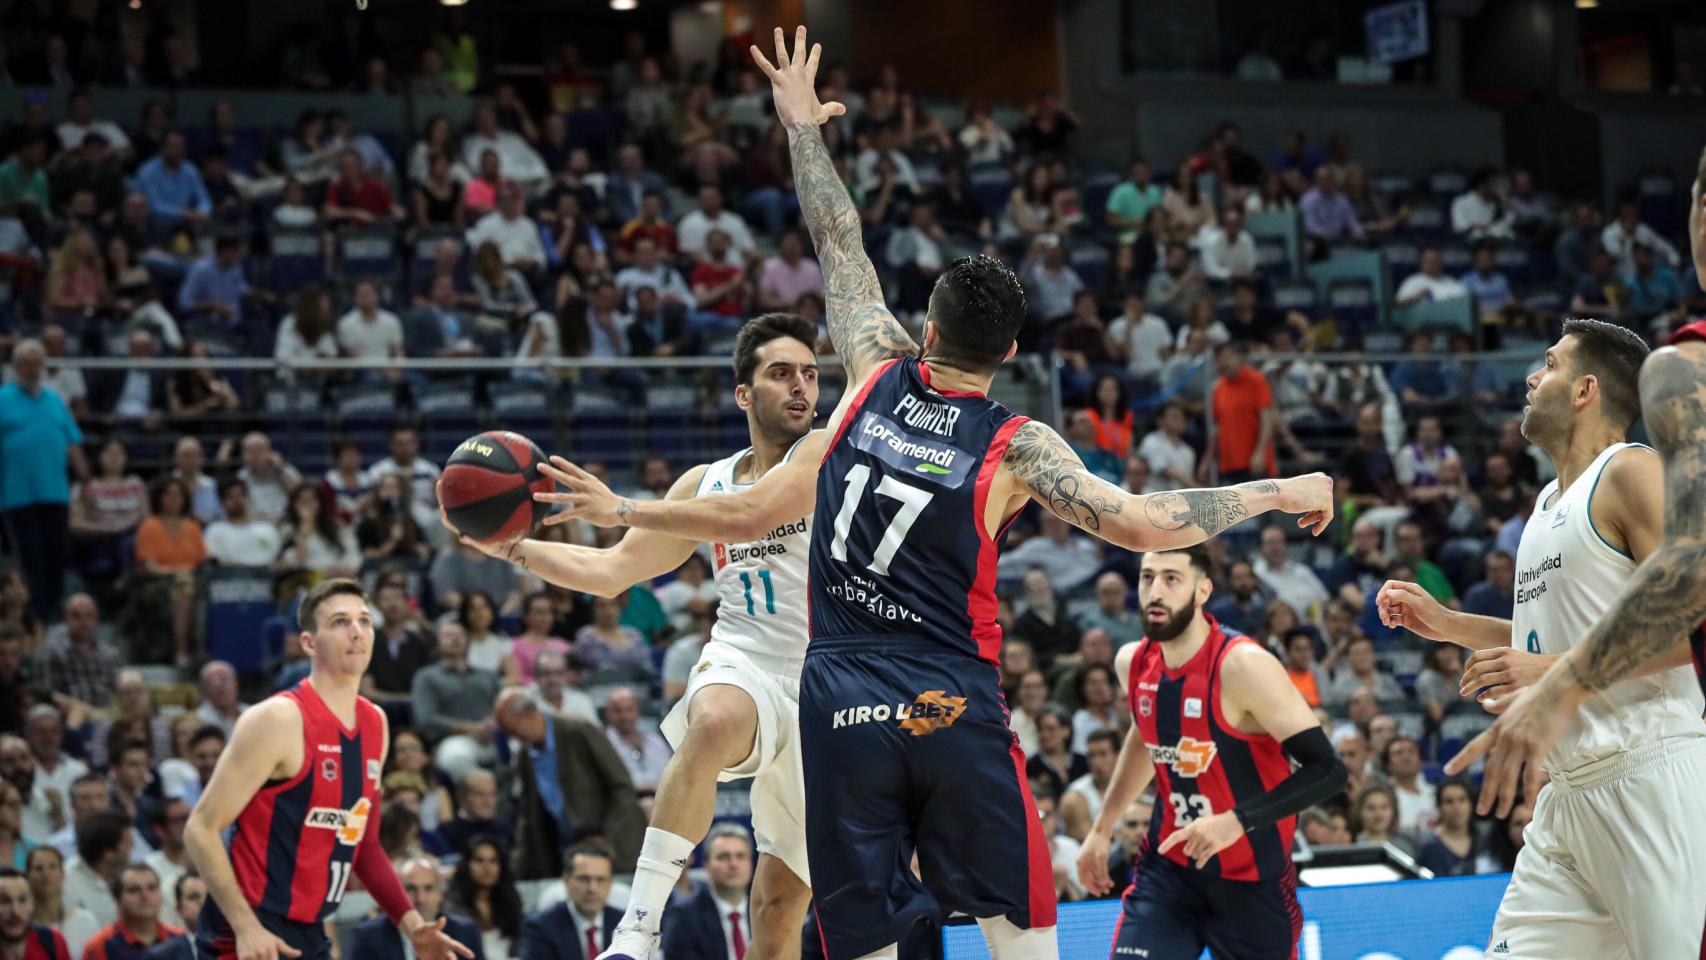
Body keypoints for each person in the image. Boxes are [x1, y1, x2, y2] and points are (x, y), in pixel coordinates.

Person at [534, 30, 1333, 958]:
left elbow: (838, 239)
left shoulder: (871, 373)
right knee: (1019, 920)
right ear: (1012, 360)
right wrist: (1279, 488)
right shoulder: (1014, 445)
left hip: (838, 696)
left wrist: (801, 127)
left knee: (862, 928)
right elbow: (1145, 520)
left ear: (923, 329)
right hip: (949, 697)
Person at [440, 313, 822, 960]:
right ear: (743, 394)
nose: (801, 388)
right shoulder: (704, 484)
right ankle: (637, 930)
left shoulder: (826, 452)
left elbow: (753, 514)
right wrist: (508, 547)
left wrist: (621, 507)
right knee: (713, 720)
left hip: (828, 680)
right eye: (781, 373)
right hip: (745, 657)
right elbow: (611, 571)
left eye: (811, 375)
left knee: (778, 907)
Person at [1381, 319, 1706, 957]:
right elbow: (1562, 638)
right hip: (1565, 798)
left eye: (1550, 365)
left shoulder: (1630, 471)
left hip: (1651, 774)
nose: (1532, 377)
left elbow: (1691, 625)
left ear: (1586, 390)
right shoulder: (1547, 502)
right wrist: (1448, 624)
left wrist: (1552, 672)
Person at [1074, 545, 1346, 959]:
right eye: (1148, 578)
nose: (1156, 591)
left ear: (1202, 591)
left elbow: (1328, 770)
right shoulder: (1133, 662)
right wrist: (1102, 826)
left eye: (1171, 578)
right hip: (1168, 873)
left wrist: (1237, 822)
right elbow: (1145, 738)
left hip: (1251, 879)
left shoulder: (1243, 666)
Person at [182, 580, 472, 960]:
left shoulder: (375, 723)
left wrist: (414, 926)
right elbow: (200, 829)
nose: (356, 631)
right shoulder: (278, 718)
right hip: (249, 929)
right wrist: (245, 927)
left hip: (311, 930)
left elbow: (364, 846)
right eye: (339, 622)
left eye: (364, 621)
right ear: (308, 643)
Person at [492, 691, 646, 877]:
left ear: (530, 715)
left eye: (514, 730)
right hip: (567, 852)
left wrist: (606, 836)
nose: (514, 738)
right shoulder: (526, 756)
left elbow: (622, 786)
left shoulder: (578, 730)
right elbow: (529, 815)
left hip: (616, 847)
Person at [345, 857, 482, 960]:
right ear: (396, 894)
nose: (420, 898)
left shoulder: (465, 930)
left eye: (428, 888)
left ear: (441, 894)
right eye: (410, 889)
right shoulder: (368, 936)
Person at [658, 823, 754, 960]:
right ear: (706, 866)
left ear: (751, 863)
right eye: (723, 857)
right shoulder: (683, 917)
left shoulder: (769, 913)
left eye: (740, 856)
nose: (733, 864)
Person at [514, 843, 620, 960]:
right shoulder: (541, 927)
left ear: (611, 883)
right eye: (584, 879)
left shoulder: (626, 924)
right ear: (566, 880)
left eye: (601, 880)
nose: (592, 889)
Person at [80, 863, 184, 960]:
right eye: (134, 890)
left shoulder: (181, 938)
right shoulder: (99, 945)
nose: (145, 896)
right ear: (116, 898)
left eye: (152, 888)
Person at [444, 837, 521, 960]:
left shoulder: (511, 902)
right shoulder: (453, 907)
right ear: (467, 865)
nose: (487, 867)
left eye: (493, 861)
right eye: (479, 860)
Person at [0, 866, 73, 960]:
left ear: (33, 905)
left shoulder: (53, 941)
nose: (15, 911)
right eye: (3, 901)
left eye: (23, 900)